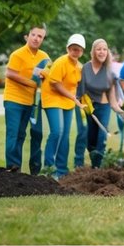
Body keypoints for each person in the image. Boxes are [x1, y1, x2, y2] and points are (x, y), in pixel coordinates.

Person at [3, 24, 49, 175]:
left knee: (24, 134)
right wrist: (32, 83)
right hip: (14, 100)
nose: (36, 38)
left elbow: (50, 74)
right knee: (14, 133)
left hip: (32, 102)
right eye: (34, 35)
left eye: (40, 36)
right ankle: (13, 167)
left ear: (43, 39)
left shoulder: (44, 57)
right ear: (27, 36)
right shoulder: (18, 54)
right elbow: (10, 73)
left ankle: (33, 170)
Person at [40, 33, 86, 179]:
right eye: (73, 48)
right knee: (57, 131)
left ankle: (62, 170)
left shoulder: (79, 67)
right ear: (68, 48)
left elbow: (78, 85)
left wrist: (80, 99)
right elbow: (54, 84)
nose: (75, 52)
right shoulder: (61, 62)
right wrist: (73, 97)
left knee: (65, 135)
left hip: (67, 101)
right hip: (52, 97)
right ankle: (49, 168)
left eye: (78, 49)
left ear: (82, 51)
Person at [78, 39, 123, 168]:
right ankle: (94, 162)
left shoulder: (109, 72)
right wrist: (82, 105)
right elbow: (80, 90)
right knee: (90, 139)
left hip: (104, 107)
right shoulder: (85, 68)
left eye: (104, 49)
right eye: (99, 49)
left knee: (101, 136)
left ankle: (97, 167)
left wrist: (120, 112)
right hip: (88, 108)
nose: (102, 52)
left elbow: (112, 100)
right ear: (93, 52)